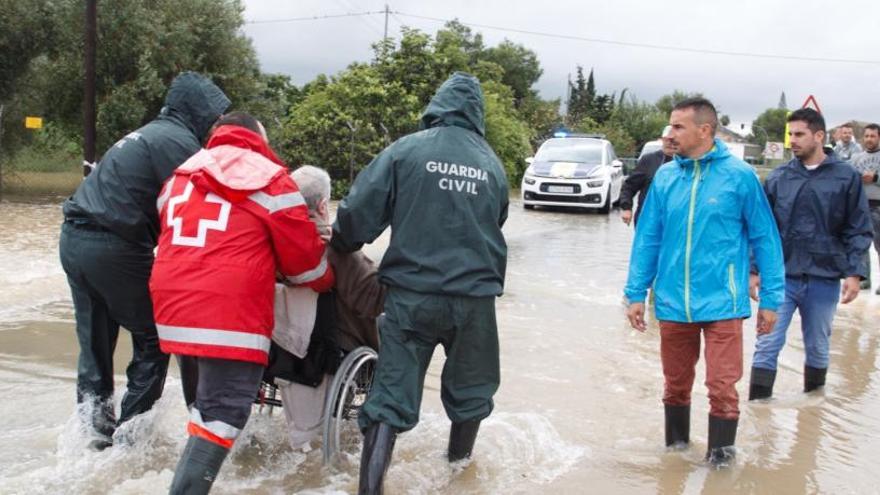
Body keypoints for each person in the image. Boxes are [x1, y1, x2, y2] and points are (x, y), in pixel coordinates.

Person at [330, 72, 509, 493]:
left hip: (411, 297)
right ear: (477, 113)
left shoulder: (405, 151)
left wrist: (340, 243)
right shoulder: (492, 164)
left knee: (390, 399)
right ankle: (458, 475)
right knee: (473, 390)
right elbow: (496, 221)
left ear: (437, 107)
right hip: (475, 301)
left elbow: (357, 214)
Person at [149, 113, 334, 494]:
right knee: (222, 415)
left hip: (172, 306)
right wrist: (326, 278)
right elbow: (304, 267)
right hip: (227, 313)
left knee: (204, 410)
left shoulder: (180, 175)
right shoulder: (271, 179)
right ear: (258, 139)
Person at [59, 72, 229, 450]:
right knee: (156, 337)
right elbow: (205, 209)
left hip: (73, 239)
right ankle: (130, 441)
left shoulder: (150, 132)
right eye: (215, 116)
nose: (217, 125)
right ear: (196, 111)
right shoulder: (180, 142)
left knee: (95, 346)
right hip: (113, 247)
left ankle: (92, 437)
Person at [624, 97, 785, 467]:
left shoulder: (740, 176)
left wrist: (772, 299)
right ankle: (675, 458)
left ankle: (720, 467)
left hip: (723, 303)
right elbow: (648, 237)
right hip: (672, 301)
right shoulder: (665, 176)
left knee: (723, 389)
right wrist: (635, 293)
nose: (670, 134)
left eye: (678, 126)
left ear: (705, 130)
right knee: (676, 385)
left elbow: (766, 238)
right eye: (670, 126)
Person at [748, 109, 872, 401]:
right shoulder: (779, 177)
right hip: (782, 277)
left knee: (817, 345)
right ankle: (758, 412)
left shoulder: (846, 177)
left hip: (824, 277)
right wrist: (754, 269)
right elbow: (763, 230)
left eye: (800, 134)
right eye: (791, 134)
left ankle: (813, 412)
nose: (793, 141)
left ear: (819, 136)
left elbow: (857, 227)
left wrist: (855, 274)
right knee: (767, 343)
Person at [265, 165, 385, 451]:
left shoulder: (265, 241)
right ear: (323, 205)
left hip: (273, 354)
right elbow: (373, 299)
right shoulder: (337, 249)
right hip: (331, 354)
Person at [619, 125, 677, 226]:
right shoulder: (648, 160)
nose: (670, 143)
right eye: (668, 140)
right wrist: (626, 208)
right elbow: (629, 186)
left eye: (674, 141)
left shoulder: (687, 163)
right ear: (662, 139)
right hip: (647, 218)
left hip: (674, 220)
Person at [850, 123, 880, 293]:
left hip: (879, 206)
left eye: (873, 136)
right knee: (862, 245)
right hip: (861, 206)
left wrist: (875, 177)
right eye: (867, 136)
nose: (869, 139)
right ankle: (864, 278)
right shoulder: (856, 158)